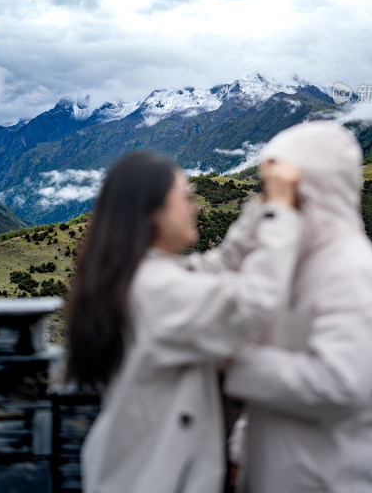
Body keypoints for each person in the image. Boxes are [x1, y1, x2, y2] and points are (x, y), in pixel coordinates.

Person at [65, 150, 303, 493]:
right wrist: (281, 212)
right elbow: (255, 300)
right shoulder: (156, 290)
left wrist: (263, 206)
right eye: (185, 197)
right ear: (151, 211)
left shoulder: (140, 275)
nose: (194, 206)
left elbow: (220, 264)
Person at [224, 121, 372, 493]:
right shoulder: (302, 263)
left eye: (272, 187)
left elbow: (338, 384)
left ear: (306, 188)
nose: (265, 200)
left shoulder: (353, 271)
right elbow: (282, 368)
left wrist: (232, 361)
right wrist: (242, 448)